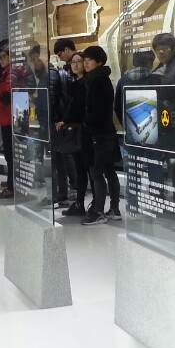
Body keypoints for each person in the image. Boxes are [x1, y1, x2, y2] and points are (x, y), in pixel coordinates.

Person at [80, 46, 121, 224]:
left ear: (99, 62)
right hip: (105, 132)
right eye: (85, 59)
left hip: (97, 135)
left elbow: (96, 111)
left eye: (89, 59)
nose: (85, 63)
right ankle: (114, 208)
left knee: (97, 172)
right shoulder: (99, 79)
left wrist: (86, 125)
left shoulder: (97, 81)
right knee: (109, 171)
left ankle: (98, 211)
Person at [56, 51, 90, 217]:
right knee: (80, 169)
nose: (75, 65)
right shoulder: (74, 82)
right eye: (73, 62)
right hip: (76, 131)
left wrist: (67, 119)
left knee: (88, 170)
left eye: (79, 61)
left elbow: (79, 107)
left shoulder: (87, 83)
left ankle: (92, 205)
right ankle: (79, 203)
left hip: (85, 131)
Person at [0, 44, 15, 199]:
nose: (1, 60)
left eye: (4, 57)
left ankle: (12, 187)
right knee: (9, 154)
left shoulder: (11, 74)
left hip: (9, 118)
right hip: (7, 117)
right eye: (0, 57)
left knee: (10, 154)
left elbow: (6, 98)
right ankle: (11, 182)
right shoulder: (6, 73)